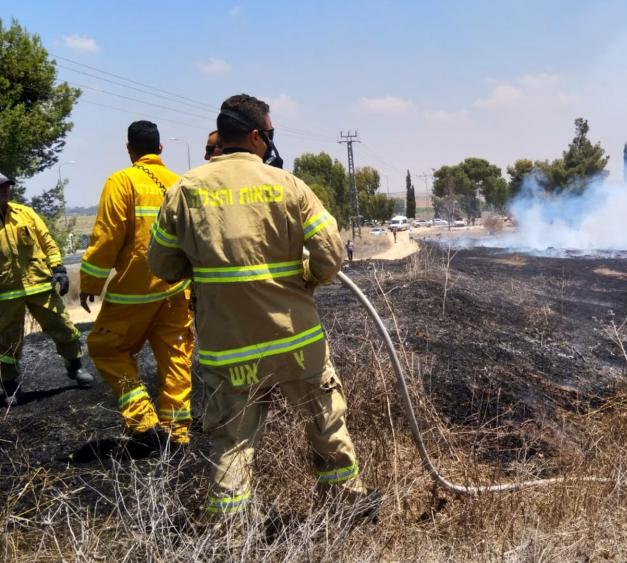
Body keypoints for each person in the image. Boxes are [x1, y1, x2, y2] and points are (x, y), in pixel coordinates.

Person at [148, 94, 377, 520]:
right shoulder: (288, 186)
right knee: (326, 424)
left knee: (231, 442)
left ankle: (231, 530)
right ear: (256, 136)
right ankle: (347, 505)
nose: (271, 143)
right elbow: (331, 255)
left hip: (229, 349)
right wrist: (307, 277)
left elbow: (161, 265)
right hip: (295, 342)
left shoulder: (185, 190)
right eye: (269, 134)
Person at [79, 121, 194, 450]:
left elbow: (107, 237)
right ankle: (177, 432)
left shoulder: (121, 181)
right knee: (175, 359)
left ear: (129, 148)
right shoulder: (181, 183)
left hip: (136, 290)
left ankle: (143, 421)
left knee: (106, 348)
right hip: (178, 289)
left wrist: (91, 281)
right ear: (160, 149)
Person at [0, 173, 92, 406]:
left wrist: (58, 268)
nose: (5, 191)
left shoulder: (26, 214)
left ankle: (76, 368)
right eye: (0, 188)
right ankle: (11, 386)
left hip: (39, 285)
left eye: (7, 187)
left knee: (62, 326)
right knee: (6, 342)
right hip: (5, 293)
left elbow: (47, 241)